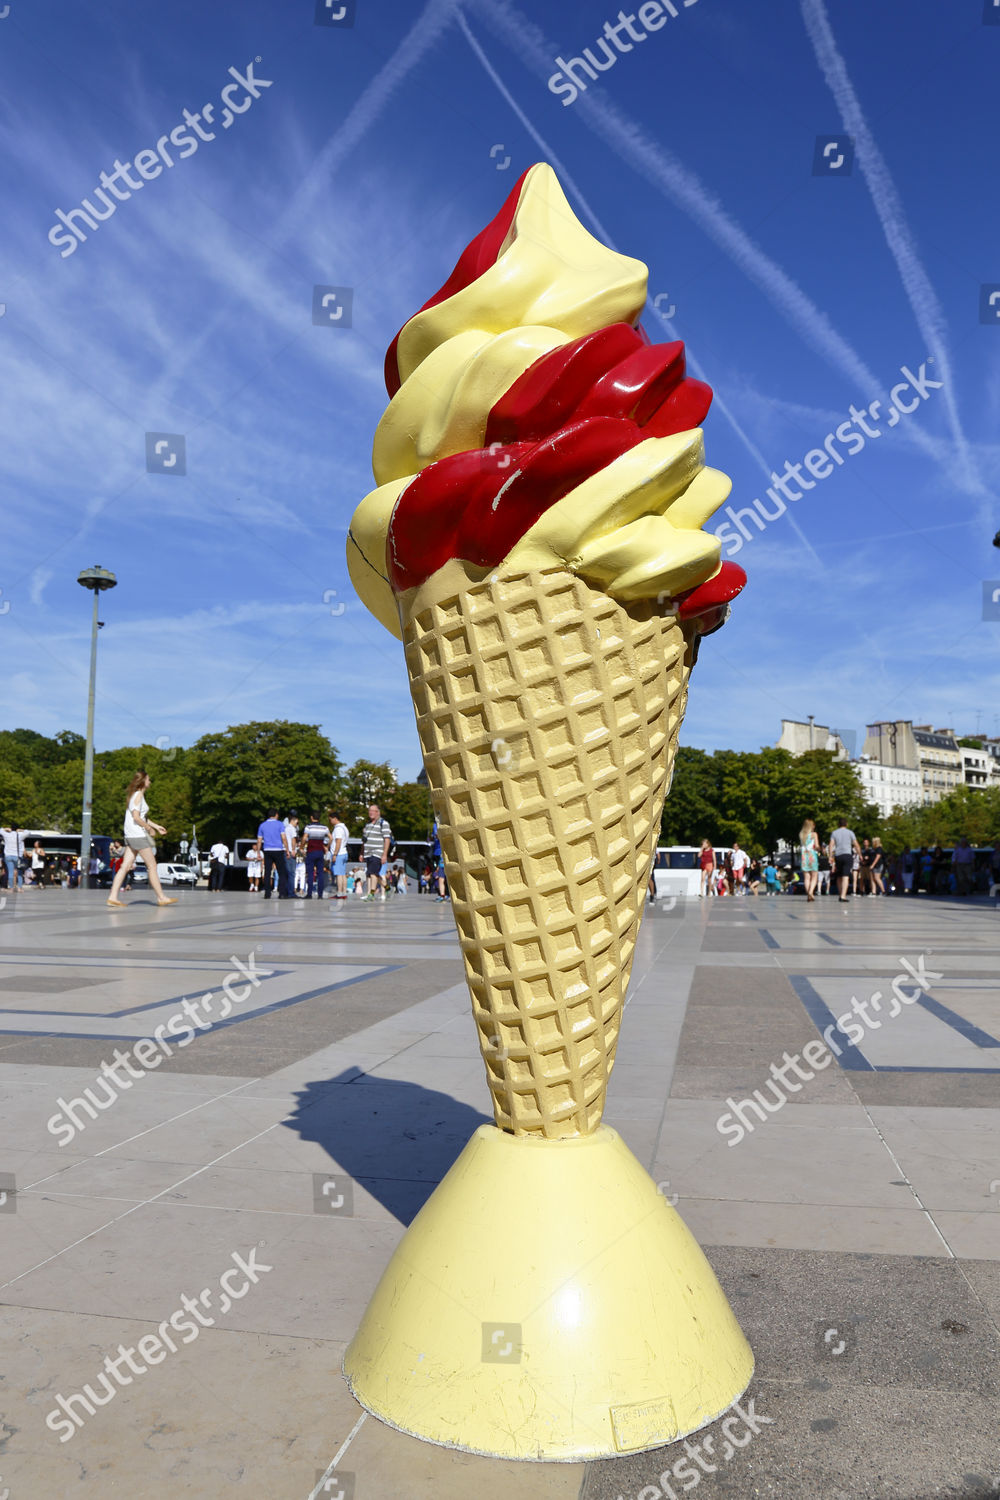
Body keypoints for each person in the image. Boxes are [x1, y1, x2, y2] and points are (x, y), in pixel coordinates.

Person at [106, 772, 178, 908]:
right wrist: (149, 829)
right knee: (152, 866)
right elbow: (136, 818)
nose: (150, 781)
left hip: (130, 835)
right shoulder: (138, 795)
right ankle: (161, 897)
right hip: (137, 835)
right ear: (143, 781)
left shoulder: (136, 796)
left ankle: (113, 897)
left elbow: (142, 817)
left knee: (125, 866)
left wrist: (156, 826)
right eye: (149, 779)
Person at [361, 805, 392, 901]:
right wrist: (361, 853)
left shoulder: (383, 823)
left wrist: (384, 854)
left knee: (373, 873)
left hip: (377, 852)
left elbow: (387, 839)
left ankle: (372, 894)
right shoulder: (367, 825)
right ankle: (387, 887)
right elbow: (364, 840)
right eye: (369, 811)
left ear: (378, 812)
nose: (371, 813)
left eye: (373, 811)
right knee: (371, 873)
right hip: (367, 853)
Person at [828, 818, 861, 904]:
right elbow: (856, 844)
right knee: (845, 875)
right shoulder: (850, 832)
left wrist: (830, 856)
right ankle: (843, 896)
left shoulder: (834, 833)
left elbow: (831, 844)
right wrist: (860, 855)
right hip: (847, 855)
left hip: (838, 856)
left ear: (838, 824)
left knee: (839, 876)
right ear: (846, 824)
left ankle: (840, 894)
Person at [257, 809, 288, 899]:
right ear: (276, 815)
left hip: (267, 850)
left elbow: (259, 840)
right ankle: (281, 893)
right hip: (278, 850)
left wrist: (258, 852)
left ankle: (267, 893)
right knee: (281, 872)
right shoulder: (280, 824)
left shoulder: (262, 825)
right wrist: (287, 849)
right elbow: (284, 838)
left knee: (267, 872)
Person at [301, 813, 329, 898]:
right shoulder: (324, 828)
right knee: (320, 873)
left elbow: (304, 838)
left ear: (311, 817)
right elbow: (330, 838)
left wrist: (302, 847)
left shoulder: (308, 827)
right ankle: (320, 894)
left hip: (311, 851)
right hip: (320, 852)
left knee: (310, 873)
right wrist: (326, 847)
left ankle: (309, 894)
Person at [328, 810, 349, 901]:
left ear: (335, 818)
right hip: (344, 852)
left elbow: (338, 841)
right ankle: (343, 892)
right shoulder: (344, 827)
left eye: (330, 819)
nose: (330, 821)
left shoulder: (338, 829)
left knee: (339, 874)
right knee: (343, 874)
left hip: (339, 854)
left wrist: (335, 854)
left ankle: (340, 893)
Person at [799, 819, 820, 903]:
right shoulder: (814, 834)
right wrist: (819, 849)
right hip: (812, 856)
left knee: (806, 877)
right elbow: (817, 846)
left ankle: (809, 894)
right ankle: (811, 892)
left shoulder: (801, 834)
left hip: (804, 856)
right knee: (814, 876)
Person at [283, 814, 301, 898]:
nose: (297, 824)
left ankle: (286, 891)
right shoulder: (292, 829)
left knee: (287, 873)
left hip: (286, 851)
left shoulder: (285, 829)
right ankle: (291, 892)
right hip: (291, 852)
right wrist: (293, 850)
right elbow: (293, 840)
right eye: (296, 822)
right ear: (293, 821)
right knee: (292, 873)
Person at [2, 825, 19, 890]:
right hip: (16, 855)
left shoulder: (7, 835)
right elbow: (27, 832)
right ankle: (17, 885)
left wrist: (6, 829)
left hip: (8, 855)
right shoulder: (18, 835)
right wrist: (20, 830)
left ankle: (11, 887)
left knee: (10, 872)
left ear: (11, 828)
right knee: (16, 871)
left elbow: (0, 830)